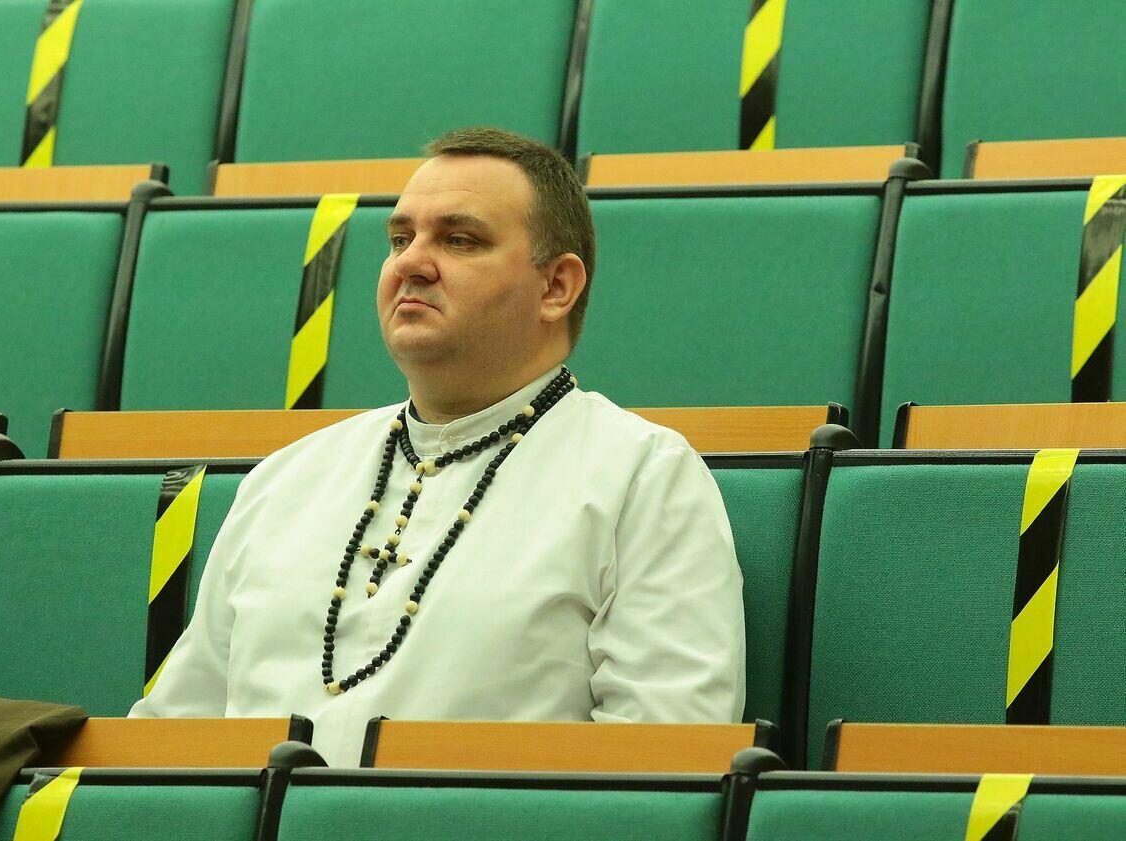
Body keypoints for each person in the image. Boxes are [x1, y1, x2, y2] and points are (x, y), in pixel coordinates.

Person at [129, 127, 745, 765]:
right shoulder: (286, 478)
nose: (410, 264)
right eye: (400, 239)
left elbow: (662, 768)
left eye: (459, 240)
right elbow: (172, 745)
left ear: (556, 287)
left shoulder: (643, 478)